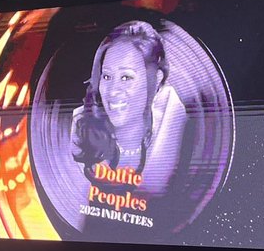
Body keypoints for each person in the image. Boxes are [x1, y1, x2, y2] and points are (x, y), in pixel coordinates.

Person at [70, 20, 187, 196]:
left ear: (155, 80)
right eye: (107, 76)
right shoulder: (81, 127)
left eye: (126, 77)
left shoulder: (172, 122)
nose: (112, 91)